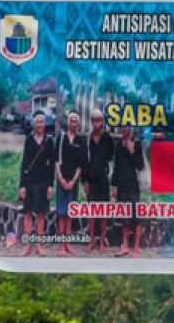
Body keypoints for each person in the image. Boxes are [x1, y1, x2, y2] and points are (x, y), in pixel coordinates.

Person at [18, 111, 56, 257]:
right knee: (28, 214)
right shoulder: (28, 140)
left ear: (45, 124)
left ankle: (40, 246)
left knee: (41, 214)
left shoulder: (49, 141)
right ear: (34, 124)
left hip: (43, 183)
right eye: (37, 122)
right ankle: (27, 246)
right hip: (29, 182)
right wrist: (22, 186)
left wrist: (50, 185)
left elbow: (52, 164)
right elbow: (24, 164)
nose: (40, 124)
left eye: (42, 121)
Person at [82, 109, 115, 254]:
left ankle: (102, 241)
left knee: (103, 212)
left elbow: (110, 157)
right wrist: (85, 181)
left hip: (103, 180)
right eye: (94, 120)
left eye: (99, 120)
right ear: (91, 121)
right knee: (91, 213)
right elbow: (83, 161)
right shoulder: (87, 139)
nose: (97, 123)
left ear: (102, 122)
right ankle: (91, 241)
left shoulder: (107, 138)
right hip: (90, 180)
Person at [111, 125, 146, 257]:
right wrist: (114, 186)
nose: (124, 129)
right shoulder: (119, 146)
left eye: (127, 127)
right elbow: (116, 167)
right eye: (122, 127)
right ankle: (124, 246)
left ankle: (136, 248)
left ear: (130, 129)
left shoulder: (136, 144)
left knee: (136, 217)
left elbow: (140, 166)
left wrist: (132, 151)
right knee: (124, 217)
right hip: (122, 185)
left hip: (133, 185)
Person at [54, 111, 86, 257]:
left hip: (74, 182)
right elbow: (56, 161)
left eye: (75, 121)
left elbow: (81, 164)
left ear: (78, 124)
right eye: (71, 120)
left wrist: (73, 181)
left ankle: (68, 243)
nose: (73, 123)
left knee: (70, 213)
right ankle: (61, 245)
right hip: (61, 181)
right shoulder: (60, 138)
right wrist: (60, 179)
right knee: (61, 213)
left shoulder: (81, 140)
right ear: (68, 122)